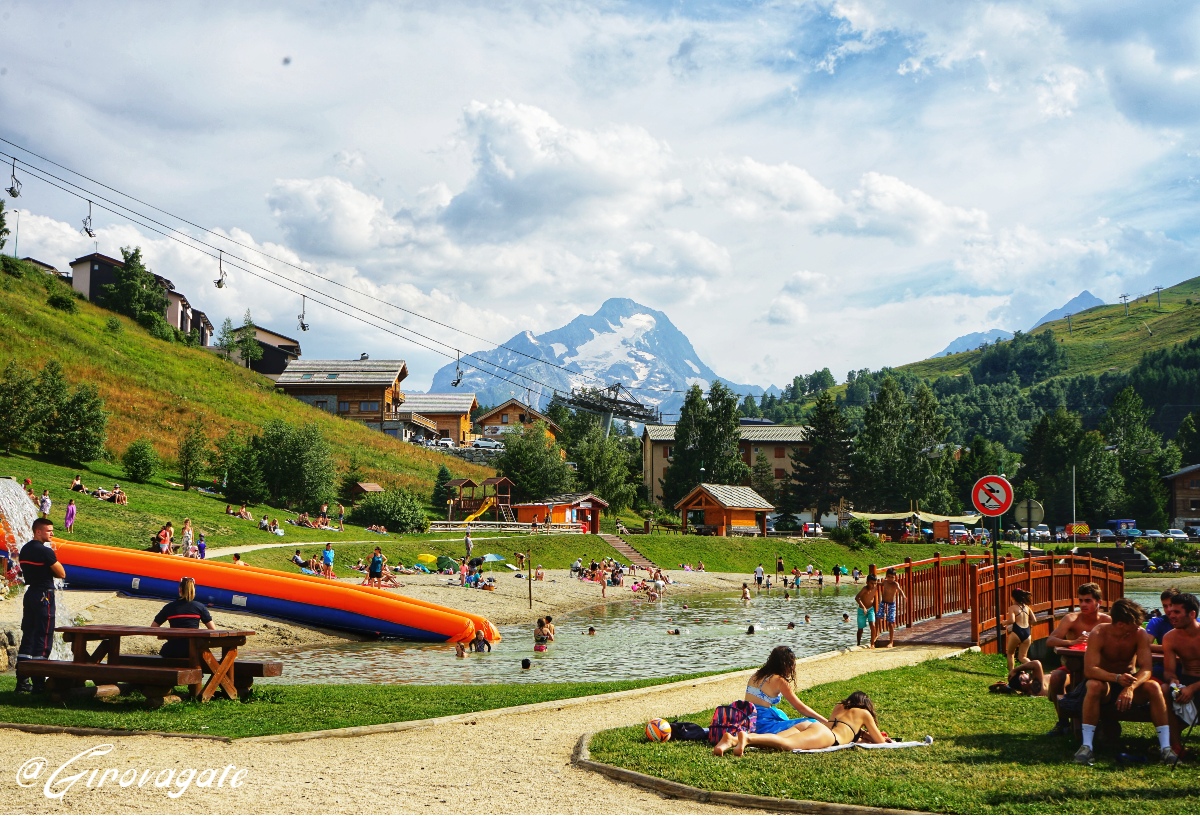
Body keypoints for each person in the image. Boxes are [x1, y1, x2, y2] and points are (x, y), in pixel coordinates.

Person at [1073, 598, 1176, 766]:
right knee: (1093, 685)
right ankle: (1086, 746)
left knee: (1154, 687)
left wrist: (1131, 687)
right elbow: (1090, 669)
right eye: (1135, 624)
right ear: (1121, 624)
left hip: (1129, 681)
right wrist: (1116, 678)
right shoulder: (1099, 633)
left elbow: (1147, 668)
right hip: (1106, 682)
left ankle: (1165, 748)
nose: (1139, 627)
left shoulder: (1139, 634)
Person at [714, 686, 886, 756]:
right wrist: (869, 735)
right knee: (786, 744)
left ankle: (732, 739)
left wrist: (860, 734)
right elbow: (880, 741)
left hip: (812, 726)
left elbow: (836, 725)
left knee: (773, 742)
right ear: (865, 704)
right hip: (827, 736)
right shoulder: (864, 713)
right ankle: (748, 738)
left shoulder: (840, 706)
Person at [1045, 582, 1111, 735]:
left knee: (1098, 683)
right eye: (1080, 600)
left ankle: (1102, 720)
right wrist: (1072, 642)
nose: (1083, 604)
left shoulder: (1106, 621)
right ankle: (1063, 722)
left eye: (1088, 600)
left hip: (1099, 667)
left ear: (1098, 602)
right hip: (1072, 666)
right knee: (1055, 677)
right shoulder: (1072, 619)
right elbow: (1050, 641)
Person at [15, 519, 66, 694]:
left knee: (28, 635)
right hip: (44, 594)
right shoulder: (45, 551)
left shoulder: (25, 549)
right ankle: (38, 683)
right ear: (38, 532)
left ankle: (21, 682)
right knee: (43, 636)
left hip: (30, 594)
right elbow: (61, 572)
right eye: (48, 531)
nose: (52, 534)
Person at [1162, 592, 1200, 755]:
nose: (1171, 616)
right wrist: (1174, 682)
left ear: (1192, 614)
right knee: (1163, 689)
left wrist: (1192, 689)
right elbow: (1169, 671)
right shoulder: (1170, 638)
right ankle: (1175, 745)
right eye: (1170, 612)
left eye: (1177, 612)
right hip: (1186, 679)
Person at [150, 576, 216, 658]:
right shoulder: (200, 607)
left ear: (179, 589)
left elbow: (153, 627)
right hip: (193, 650)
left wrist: (167, 635)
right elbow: (212, 630)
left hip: (173, 649)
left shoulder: (169, 607)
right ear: (193, 590)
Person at [1006, 588, 1034, 673]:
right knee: (1022, 657)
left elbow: (1012, 620)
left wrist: (1004, 622)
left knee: (1010, 653)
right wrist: (1028, 624)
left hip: (1017, 631)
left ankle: (1012, 672)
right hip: (1027, 633)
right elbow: (1034, 620)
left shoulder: (1012, 608)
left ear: (1013, 598)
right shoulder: (1027, 608)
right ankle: (1035, 669)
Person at [878, 567, 907, 648]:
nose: (890, 579)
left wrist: (904, 596)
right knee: (878, 618)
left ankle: (891, 641)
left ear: (895, 577)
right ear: (886, 576)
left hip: (891, 604)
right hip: (883, 602)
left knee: (890, 623)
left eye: (892, 577)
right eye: (889, 576)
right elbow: (880, 584)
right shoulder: (885, 582)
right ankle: (875, 637)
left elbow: (900, 590)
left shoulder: (895, 584)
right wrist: (875, 583)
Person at [1146, 587, 1180, 656]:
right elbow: (1145, 645)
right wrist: (1170, 648)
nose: (1168, 609)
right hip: (1162, 664)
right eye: (1165, 606)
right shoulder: (1156, 622)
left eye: (1171, 605)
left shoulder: (1194, 622)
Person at [854, 575, 879, 648]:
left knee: (872, 625)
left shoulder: (875, 588)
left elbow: (882, 584)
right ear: (867, 582)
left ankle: (872, 643)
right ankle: (858, 643)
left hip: (870, 609)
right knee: (860, 629)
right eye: (871, 583)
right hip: (862, 610)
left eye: (875, 583)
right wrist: (864, 607)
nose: (873, 585)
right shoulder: (864, 589)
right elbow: (857, 598)